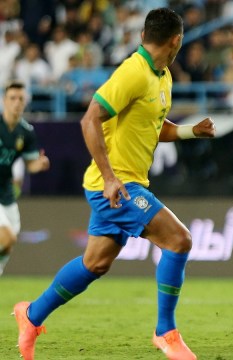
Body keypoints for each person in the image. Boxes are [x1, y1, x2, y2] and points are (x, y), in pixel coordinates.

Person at [13, 8, 216, 360]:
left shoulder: (162, 75)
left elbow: (155, 124)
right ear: (177, 40)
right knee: (179, 240)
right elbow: (90, 118)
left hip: (122, 183)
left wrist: (188, 131)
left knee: (95, 264)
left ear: (143, 36)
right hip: (117, 187)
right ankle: (165, 331)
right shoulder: (132, 73)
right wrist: (109, 177)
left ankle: (30, 316)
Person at [0, 81, 50, 276]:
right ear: (4, 101)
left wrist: (41, 164)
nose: (17, 103)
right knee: (7, 237)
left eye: (21, 99)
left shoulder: (26, 132)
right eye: (12, 98)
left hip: (6, 190)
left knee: (7, 246)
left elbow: (31, 164)